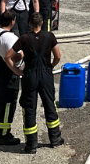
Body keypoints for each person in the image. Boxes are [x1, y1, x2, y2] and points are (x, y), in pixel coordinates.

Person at [13, 13, 63, 153]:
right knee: (50, 105)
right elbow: (58, 56)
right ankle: (55, 139)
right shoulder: (49, 36)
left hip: (30, 75)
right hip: (45, 74)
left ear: (29, 24)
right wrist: (50, 66)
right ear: (41, 23)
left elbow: (8, 56)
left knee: (29, 108)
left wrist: (16, 70)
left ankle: (31, 145)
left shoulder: (24, 38)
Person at [0, 10, 22, 145]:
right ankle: (4, 134)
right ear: (12, 21)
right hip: (9, 74)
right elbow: (18, 54)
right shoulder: (11, 38)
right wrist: (19, 64)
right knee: (9, 103)